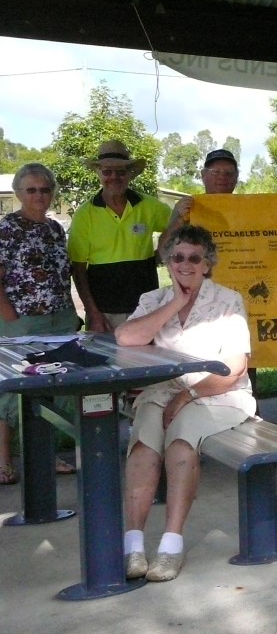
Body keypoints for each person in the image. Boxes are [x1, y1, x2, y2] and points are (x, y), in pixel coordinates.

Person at [116, 225, 254, 582]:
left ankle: (170, 546)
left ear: (208, 264)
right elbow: (127, 337)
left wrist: (188, 395)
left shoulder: (228, 301)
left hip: (216, 393)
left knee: (180, 442)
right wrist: (176, 302)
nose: (185, 264)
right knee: (144, 444)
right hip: (163, 392)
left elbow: (235, 368)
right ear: (168, 262)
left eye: (194, 258)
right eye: (177, 257)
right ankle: (133, 545)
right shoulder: (154, 299)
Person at [0, 164, 80, 484]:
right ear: (19, 193)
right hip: (21, 320)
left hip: (59, 318)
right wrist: (9, 315)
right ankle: (3, 460)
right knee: (11, 388)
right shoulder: (7, 228)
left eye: (45, 189)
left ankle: (46, 455)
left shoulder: (55, 228)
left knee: (53, 385)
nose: (39, 195)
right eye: (31, 189)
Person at [69, 140, 172, 333]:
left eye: (121, 171)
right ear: (98, 172)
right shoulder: (84, 214)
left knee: (146, 362)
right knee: (104, 362)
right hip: (105, 313)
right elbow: (78, 270)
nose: (114, 177)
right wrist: (93, 313)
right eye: (107, 171)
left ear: (130, 174)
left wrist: (161, 252)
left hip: (145, 308)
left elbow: (178, 224)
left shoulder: (149, 206)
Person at [163, 148, 240, 236]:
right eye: (215, 172)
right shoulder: (187, 207)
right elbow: (164, 247)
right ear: (203, 175)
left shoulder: (246, 208)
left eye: (229, 173)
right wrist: (179, 220)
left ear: (236, 177)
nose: (222, 176)